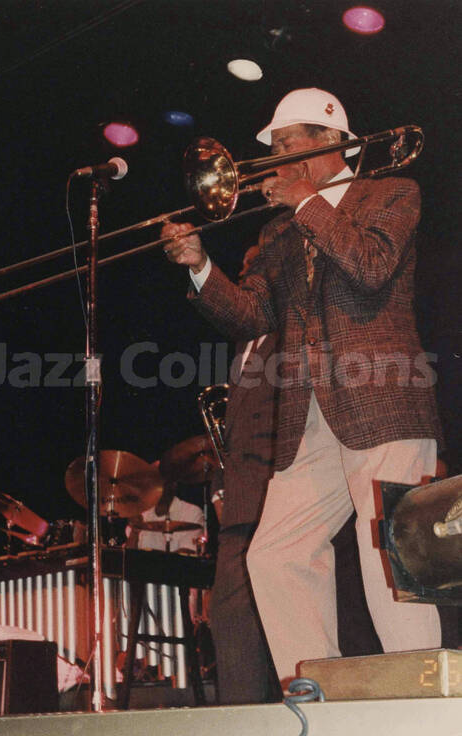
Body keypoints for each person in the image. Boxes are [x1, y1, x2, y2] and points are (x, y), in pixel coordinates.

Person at [162, 88, 443, 686]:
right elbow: (252, 318)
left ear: (330, 141)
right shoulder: (277, 233)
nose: (275, 160)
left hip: (383, 400)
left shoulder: (391, 192)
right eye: (274, 148)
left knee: (387, 554)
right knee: (275, 554)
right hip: (307, 411)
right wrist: (199, 266)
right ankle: (317, 688)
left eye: (288, 144)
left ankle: (423, 696)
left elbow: (370, 267)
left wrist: (308, 202)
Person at [205, 245, 280, 704]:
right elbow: (232, 434)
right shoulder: (243, 345)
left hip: (275, 496)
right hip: (239, 500)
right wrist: (218, 487)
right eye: (244, 267)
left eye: (255, 268)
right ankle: (242, 716)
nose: (245, 275)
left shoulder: (291, 334)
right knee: (230, 616)